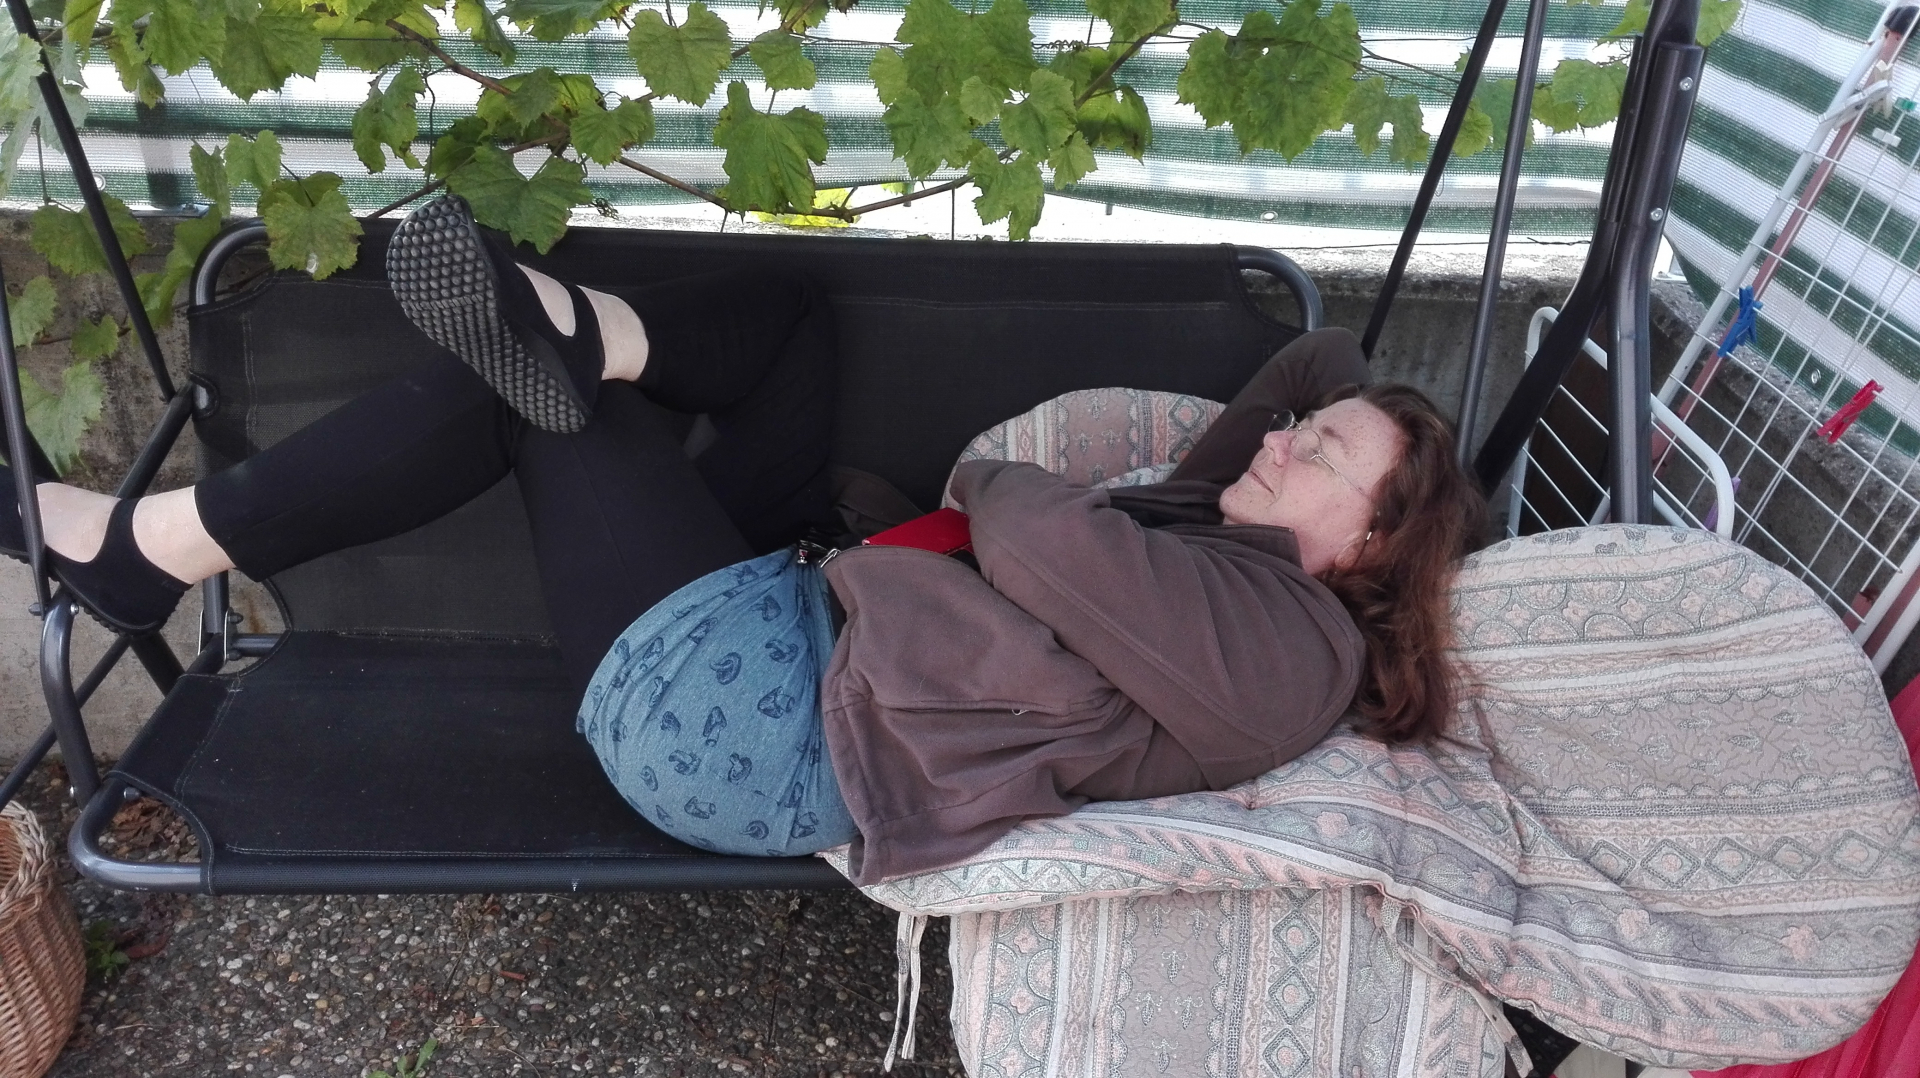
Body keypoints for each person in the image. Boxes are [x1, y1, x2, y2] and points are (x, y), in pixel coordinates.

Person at [0, 196, 1486, 885]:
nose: (1283, 440)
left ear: (1372, 551)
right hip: (819, 614)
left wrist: (1009, 486)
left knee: (538, 404)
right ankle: (569, 327)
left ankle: (153, 547)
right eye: (1306, 436)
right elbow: (1304, 366)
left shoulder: (1288, 651)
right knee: (783, 321)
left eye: (1322, 458)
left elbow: (1038, 541)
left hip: (763, 726)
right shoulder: (1240, 551)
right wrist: (1353, 422)